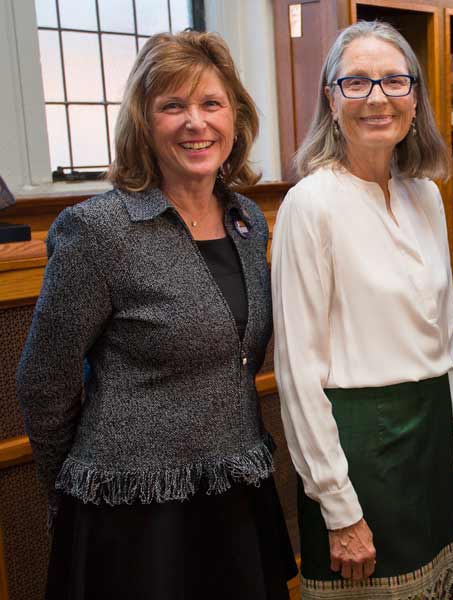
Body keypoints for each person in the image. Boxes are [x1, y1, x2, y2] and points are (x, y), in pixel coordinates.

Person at [16, 31, 297, 599]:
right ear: (144, 123)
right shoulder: (99, 230)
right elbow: (43, 382)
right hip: (132, 517)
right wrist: (70, 494)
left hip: (233, 493)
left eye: (210, 104)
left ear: (235, 117)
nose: (196, 122)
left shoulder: (248, 221)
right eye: (173, 106)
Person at [271, 20, 453, 599]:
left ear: (415, 98)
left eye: (393, 81)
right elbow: (298, 374)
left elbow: (442, 340)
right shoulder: (310, 204)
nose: (377, 98)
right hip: (359, 452)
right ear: (331, 99)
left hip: (429, 436)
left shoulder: (425, 196)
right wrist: (337, 505)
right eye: (355, 83)